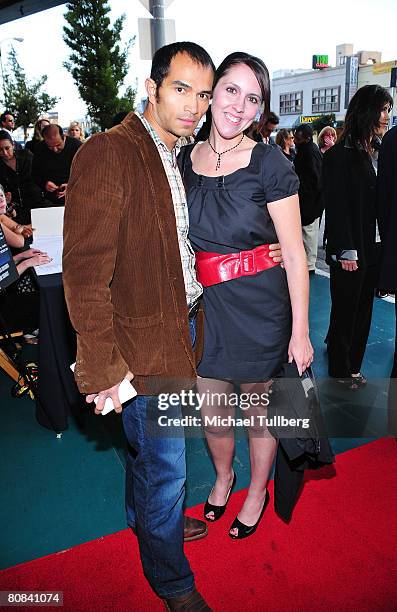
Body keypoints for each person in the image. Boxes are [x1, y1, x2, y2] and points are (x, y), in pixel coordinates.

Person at [63, 41, 217, 611]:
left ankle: (154, 527)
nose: (194, 106)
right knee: (167, 471)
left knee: (148, 460)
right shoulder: (110, 151)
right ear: (152, 87)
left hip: (176, 336)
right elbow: (83, 271)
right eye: (181, 90)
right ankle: (172, 580)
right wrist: (104, 365)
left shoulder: (172, 155)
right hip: (141, 353)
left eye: (202, 95)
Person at [180, 52, 312, 539]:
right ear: (212, 92)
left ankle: (256, 490)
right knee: (212, 411)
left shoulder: (269, 164)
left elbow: (296, 255)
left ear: (261, 110)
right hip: (206, 311)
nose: (238, 105)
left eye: (252, 98)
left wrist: (300, 333)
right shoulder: (182, 160)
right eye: (231, 90)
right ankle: (223, 477)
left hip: (261, 312)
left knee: (259, 414)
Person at [323, 84, 392, 389]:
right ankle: (341, 370)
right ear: (367, 110)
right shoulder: (341, 153)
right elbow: (336, 205)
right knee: (345, 313)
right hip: (351, 249)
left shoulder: (375, 152)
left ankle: (353, 366)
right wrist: (346, 249)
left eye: (389, 109)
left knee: (363, 310)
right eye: (384, 108)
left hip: (374, 247)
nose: (387, 116)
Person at [0, 130, 49, 225]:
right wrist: (5, 197)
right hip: (16, 212)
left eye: (7, 148)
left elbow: (42, 173)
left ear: (13, 145)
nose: (5, 153)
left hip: (37, 205)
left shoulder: (26, 155)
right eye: (0, 150)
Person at [293, 123, 323, 274]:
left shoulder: (309, 152)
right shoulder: (307, 150)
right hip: (307, 198)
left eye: (298, 139)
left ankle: (310, 264)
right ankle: (308, 263)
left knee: (309, 233)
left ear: (307, 138)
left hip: (310, 199)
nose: (295, 141)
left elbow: (315, 180)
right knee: (307, 233)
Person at [32, 124, 81, 206]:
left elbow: (88, 172)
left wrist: (72, 185)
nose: (55, 149)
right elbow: (35, 173)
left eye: (58, 145)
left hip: (76, 196)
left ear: (64, 136)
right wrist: (45, 183)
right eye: (50, 147)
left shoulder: (77, 146)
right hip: (50, 199)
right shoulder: (40, 148)